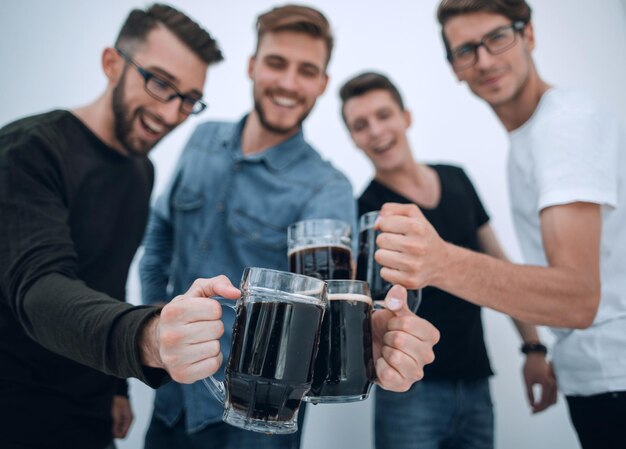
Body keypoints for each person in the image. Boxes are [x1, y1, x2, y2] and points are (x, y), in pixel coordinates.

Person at [138, 4, 440, 449]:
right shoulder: (202, 139)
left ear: (322, 83)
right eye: (276, 63)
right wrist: (154, 333)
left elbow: (333, 310)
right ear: (252, 66)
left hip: (257, 421)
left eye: (307, 70)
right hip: (169, 399)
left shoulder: (327, 186)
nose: (288, 83)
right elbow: (158, 239)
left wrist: (372, 333)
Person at [373, 1, 626, 447]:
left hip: (614, 377)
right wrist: (538, 350)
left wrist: (438, 261)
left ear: (528, 35)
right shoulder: (531, 135)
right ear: (454, 68)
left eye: (497, 38)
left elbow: (579, 298)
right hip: (589, 377)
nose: (485, 60)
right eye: (467, 50)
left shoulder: (562, 126)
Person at [0, 4, 234, 449]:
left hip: (91, 413)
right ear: (111, 63)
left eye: (188, 99)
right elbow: (40, 288)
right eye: (160, 83)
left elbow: (103, 283)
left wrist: (115, 386)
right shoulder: (27, 152)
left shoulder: (139, 170)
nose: (170, 113)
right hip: (17, 410)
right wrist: (149, 339)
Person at [339, 71, 556, 449]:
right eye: (360, 125)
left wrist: (534, 348)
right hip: (407, 392)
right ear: (353, 139)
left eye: (383, 115)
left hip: (476, 383)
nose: (375, 131)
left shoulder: (457, 179)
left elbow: (500, 268)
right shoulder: (363, 212)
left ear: (406, 117)